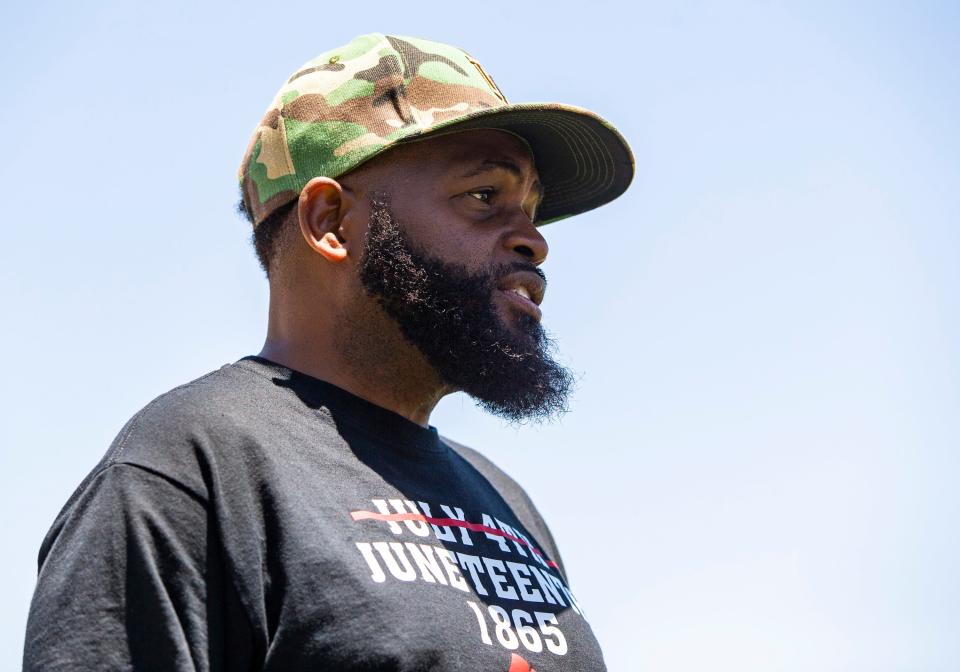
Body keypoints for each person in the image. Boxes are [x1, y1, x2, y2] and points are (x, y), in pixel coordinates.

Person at [23, 33, 633, 671]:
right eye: (485, 196)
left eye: (532, 209)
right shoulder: (192, 468)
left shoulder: (508, 503)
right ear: (329, 221)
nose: (534, 241)